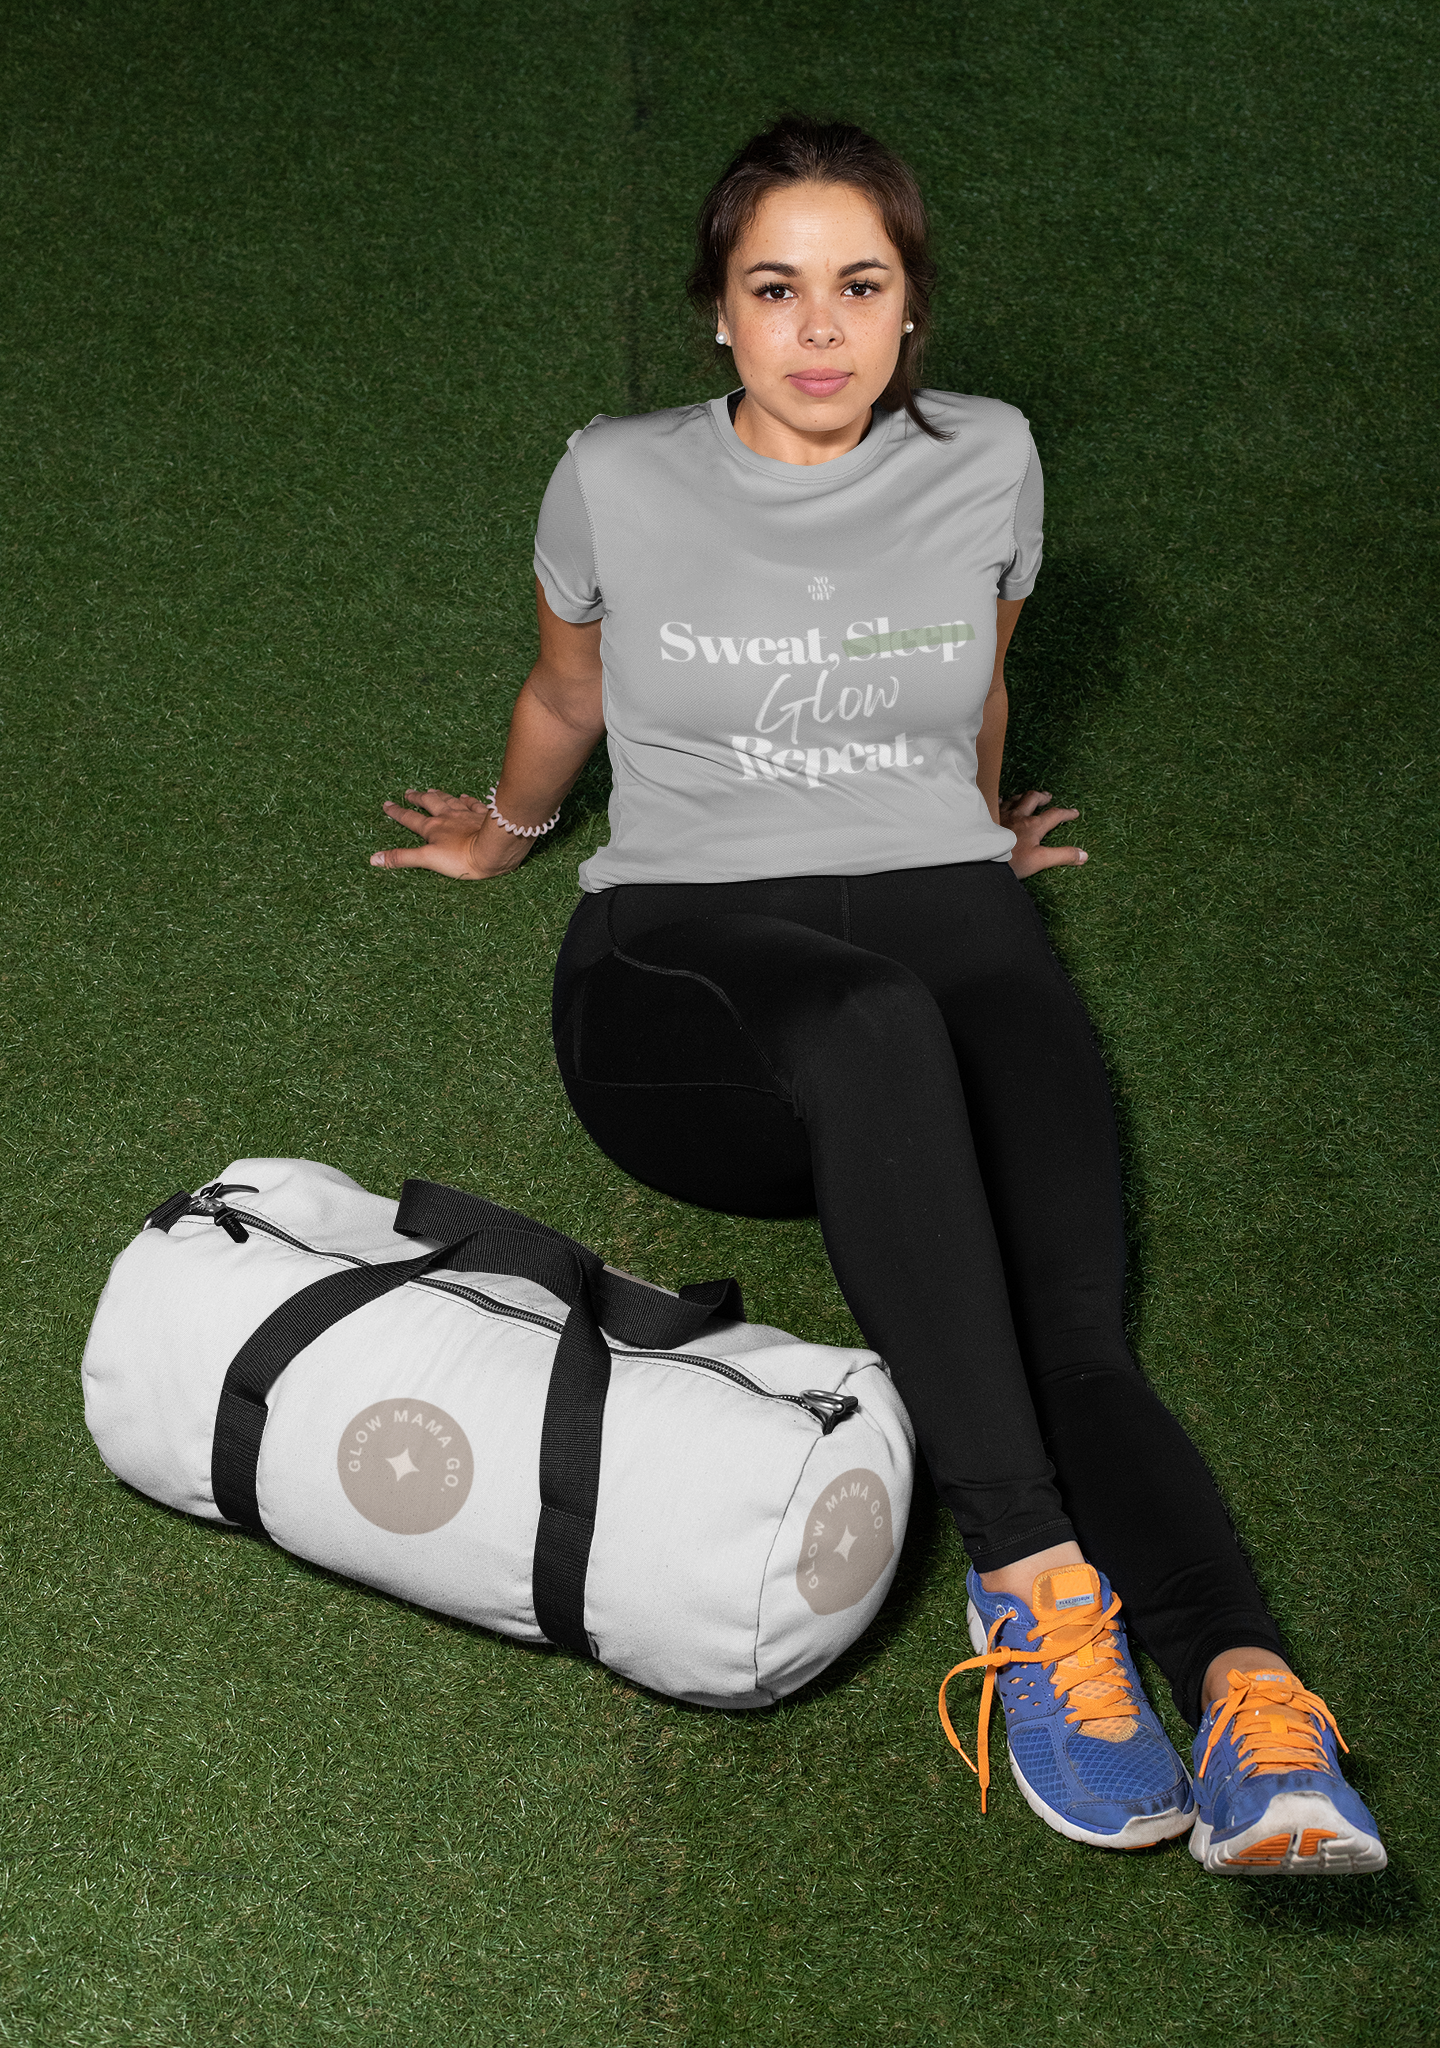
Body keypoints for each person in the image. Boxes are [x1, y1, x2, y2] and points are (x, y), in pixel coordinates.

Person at [369, 116, 1384, 1877]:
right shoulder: (616, 474)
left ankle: (1251, 1696)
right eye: (777, 289)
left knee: (1073, 1339)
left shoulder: (991, 456)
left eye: (862, 284)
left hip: (943, 923)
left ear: (913, 307)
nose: (821, 328)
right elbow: (568, 691)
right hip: (686, 973)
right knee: (871, 1024)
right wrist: (512, 831)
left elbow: (977, 681)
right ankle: (1029, 1578)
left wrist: (976, 827)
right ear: (719, 313)